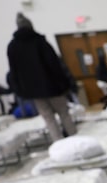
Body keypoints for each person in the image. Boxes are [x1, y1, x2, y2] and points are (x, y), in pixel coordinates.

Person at [7, 12, 76, 140]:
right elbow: (55, 65)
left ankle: (58, 143)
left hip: (33, 91)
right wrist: (65, 84)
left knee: (48, 117)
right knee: (64, 113)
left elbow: (13, 71)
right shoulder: (40, 42)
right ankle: (75, 140)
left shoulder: (13, 47)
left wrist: (20, 90)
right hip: (53, 87)